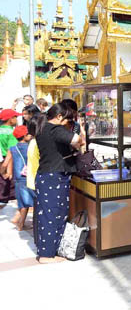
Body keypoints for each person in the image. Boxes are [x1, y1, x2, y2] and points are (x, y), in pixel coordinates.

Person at [34, 103, 85, 263]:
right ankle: (46, 255)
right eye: (68, 120)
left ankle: (50, 250)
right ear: (59, 117)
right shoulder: (55, 129)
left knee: (52, 213)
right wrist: (81, 129)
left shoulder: (43, 128)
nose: (69, 124)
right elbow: (78, 140)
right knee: (52, 215)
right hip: (53, 176)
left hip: (47, 175)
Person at [7, 125, 34, 230]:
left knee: (23, 202)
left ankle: (20, 223)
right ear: (25, 136)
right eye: (29, 134)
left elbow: (6, 163)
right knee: (33, 201)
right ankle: (21, 224)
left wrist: (5, 172)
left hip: (19, 178)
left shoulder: (12, 149)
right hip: (30, 177)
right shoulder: (30, 147)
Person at [0, 109, 20, 204]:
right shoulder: (12, 132)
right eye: (15, 117)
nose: (17, 119)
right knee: (6, 179)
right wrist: (9, 168)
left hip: (1, 158)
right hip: (7, 160)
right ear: (10, 119)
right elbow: (11, 150)